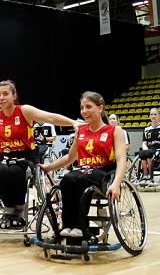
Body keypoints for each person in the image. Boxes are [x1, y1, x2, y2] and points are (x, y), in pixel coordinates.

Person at [0, 80, 77, 229]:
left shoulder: (24, 110)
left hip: (25, 157)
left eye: (6, 94)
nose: (1, 97)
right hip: (4, 157)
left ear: (14, 96)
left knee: (15, 172)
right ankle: (9, 210)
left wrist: (73, 123)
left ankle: (19, 211)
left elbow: (50, 117)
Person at [42, 91, 126, 239]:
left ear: (100, 108)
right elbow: (70, 157)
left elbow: (121, 159)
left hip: (104, 173)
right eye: (82, 108)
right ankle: (68, 226)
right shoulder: (80, 131)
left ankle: (81, 226)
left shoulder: (114, 131)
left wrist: (117, 184)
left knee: (80, 179)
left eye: (88, 107)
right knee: (67, 179)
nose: (84, 111)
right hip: (84, 171)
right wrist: (48, 167)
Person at [137, 108, 160, 184]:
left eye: (155, 114)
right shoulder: (147, 129)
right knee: (143, 153)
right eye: (151, 114)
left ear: (159, 116)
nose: (153, 116)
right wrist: (145, 149)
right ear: (149, 116)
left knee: (148, 154)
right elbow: (144, 142)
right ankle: (145, 176)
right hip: (149, 149)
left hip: (158, 150)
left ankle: (150, 176)